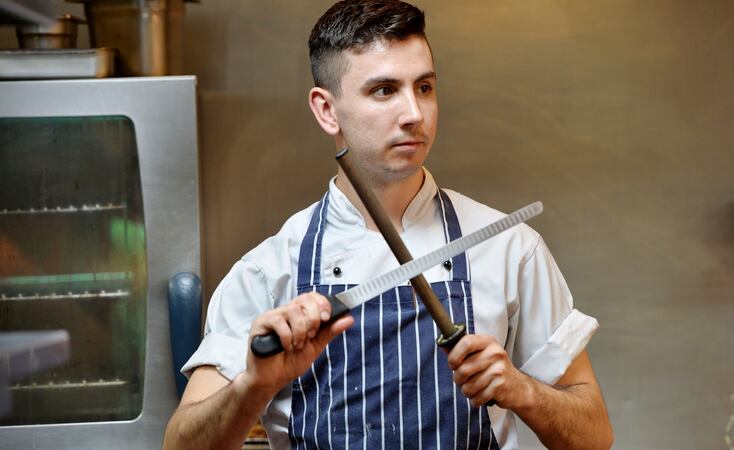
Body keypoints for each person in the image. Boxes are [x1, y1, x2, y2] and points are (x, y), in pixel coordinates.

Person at [163, 1, 613, 449]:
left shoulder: (510, 247)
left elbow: (594, 436)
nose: (414, 113)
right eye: (383, 90)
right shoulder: (267, 269)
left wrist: (523, 390)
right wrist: (254, 386)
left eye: (424, 87)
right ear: (326, 110)